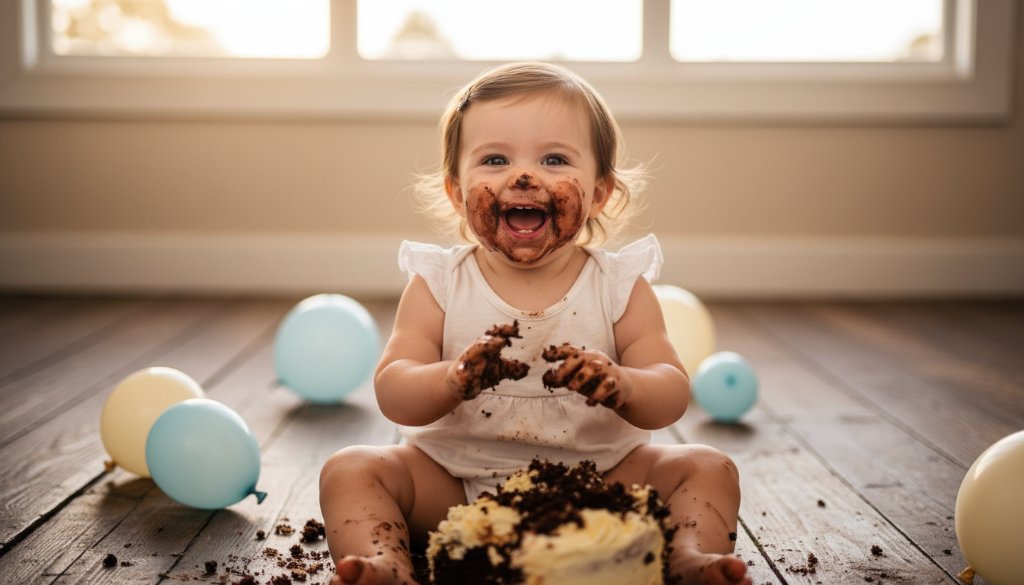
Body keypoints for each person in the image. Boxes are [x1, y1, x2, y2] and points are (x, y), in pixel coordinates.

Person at [320, 62, 749, 585]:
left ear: (599, 193)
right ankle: (387, 561)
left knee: (708, 466)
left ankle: (689, 556)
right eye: (495, 159)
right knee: (350, 468)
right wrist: (452, 378)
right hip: (455, 490)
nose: (524, 177)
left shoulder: (618, 285)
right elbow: (394, 391)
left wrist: (623, 382)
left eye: (554, 159)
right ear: (457, 192)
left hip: (605, 488)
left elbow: (671, 393)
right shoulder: (439, 282)